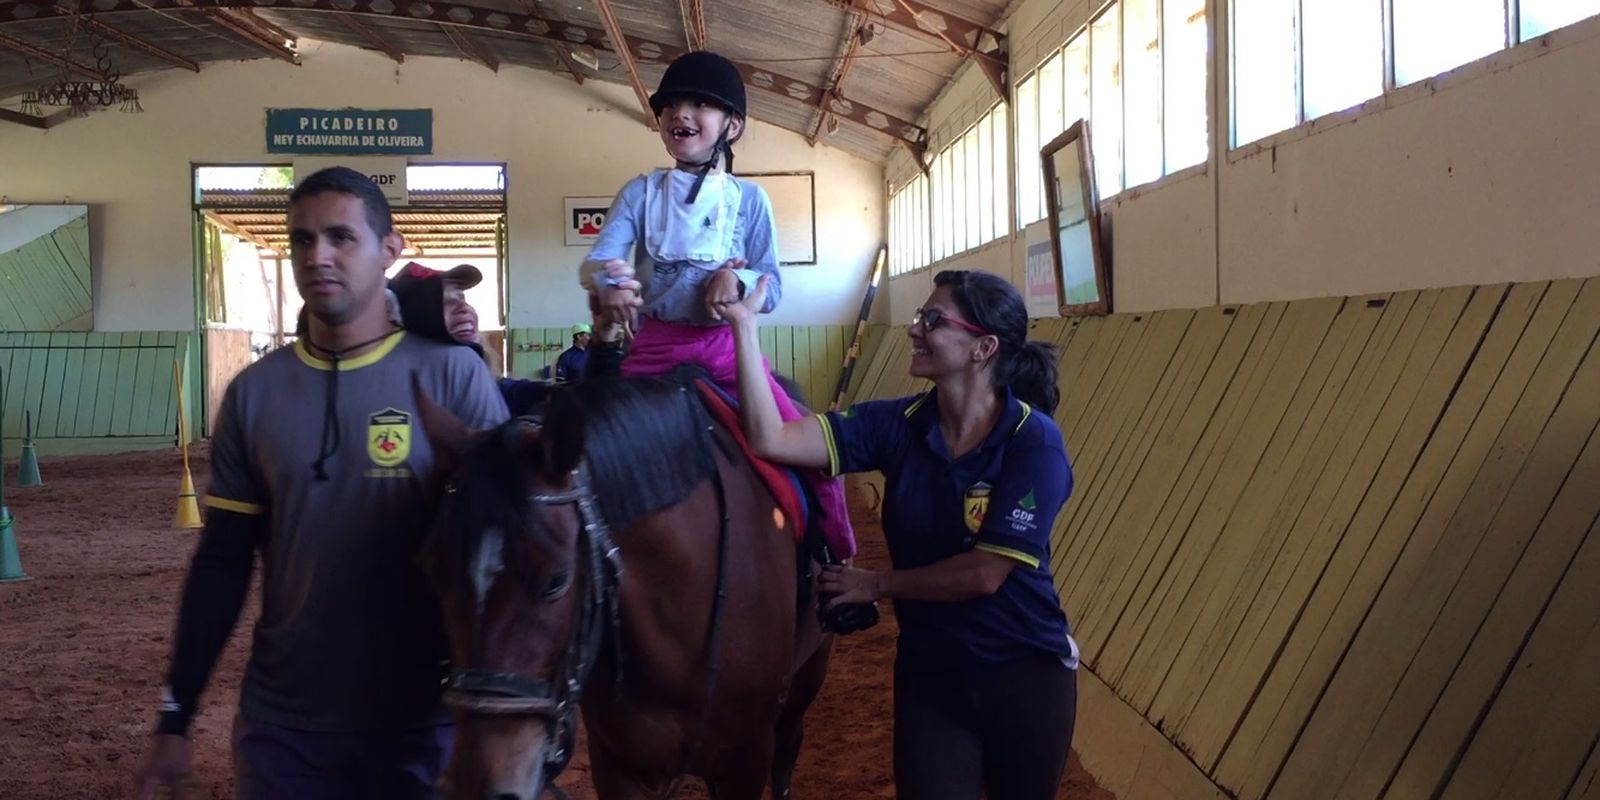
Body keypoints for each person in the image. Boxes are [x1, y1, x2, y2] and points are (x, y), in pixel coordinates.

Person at [134, 167, 510, 799]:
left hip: (425, 723)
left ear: (389, 251)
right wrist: (176, 716)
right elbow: (224, 560)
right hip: (286, 730)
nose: (319, 256)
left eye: (341, 237)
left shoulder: (455, 381)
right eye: (303, 240)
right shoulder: (254, 394)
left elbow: (508, 556)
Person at [718, 269, 1080, 800]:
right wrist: (744, 328)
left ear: (983, 347)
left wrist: (877, 585)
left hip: (1025, 677)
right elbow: (771, 438)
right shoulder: (897, 424)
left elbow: (985, 575)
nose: (915, 329)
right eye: (919, 317)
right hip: (931, 681)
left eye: (932, 320)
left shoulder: (1033, 441)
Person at [578, 50, 860, 601]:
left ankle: (834, 563)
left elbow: (773, 286)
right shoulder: (639, 193)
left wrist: (742, 280)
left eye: (700, 104)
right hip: (653, 350)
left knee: (813, 450)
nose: (681, 113)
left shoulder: (749, 201)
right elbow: (597, 260)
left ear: (731, 125)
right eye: (672, 105)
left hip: (728, 351)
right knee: (584, 448)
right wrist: (609, 280)